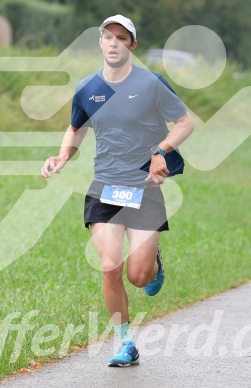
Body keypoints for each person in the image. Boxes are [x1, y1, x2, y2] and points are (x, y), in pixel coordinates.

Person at [41, 14, 194, 367]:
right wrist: (63, 155)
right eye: (108, 37)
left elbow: (184, 123)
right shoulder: (87, 88)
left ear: (132, 45)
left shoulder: (152, 83)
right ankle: (124, 342)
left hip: (143, 186)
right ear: (100, 42)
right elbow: (75, 128)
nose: (113, 43)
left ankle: (153, 264)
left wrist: (162, 152)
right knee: (110, 266)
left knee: (138, 277)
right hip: (104, 188)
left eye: (121, 38)